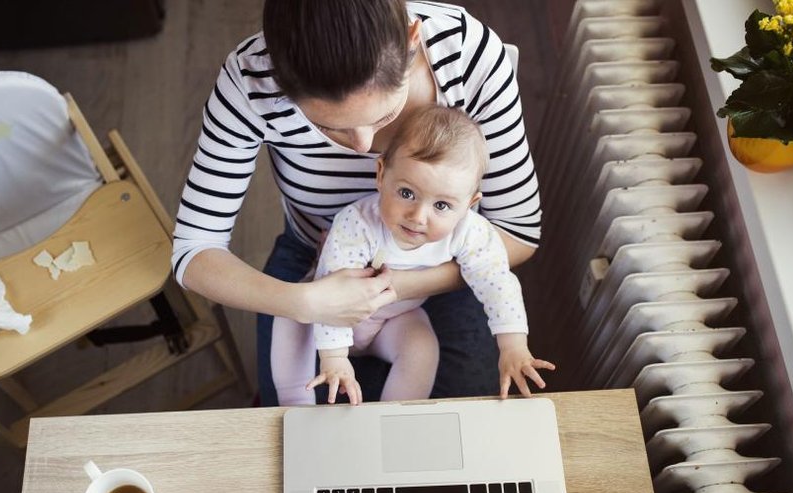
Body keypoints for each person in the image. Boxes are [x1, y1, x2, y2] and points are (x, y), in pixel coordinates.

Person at [172, 0, 543, 405]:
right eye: (328, 126)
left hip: (444, 265)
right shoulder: (250, 81)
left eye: (384, 117)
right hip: (313, 263)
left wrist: (397, 285)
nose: (365, 149)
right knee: (296, 427)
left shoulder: (468, 55)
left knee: (456, 434)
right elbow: (193, 250)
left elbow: (517, 234)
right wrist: (304, 301)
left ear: (411, 40)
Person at [272, 106, 553, 405]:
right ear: (381, 175)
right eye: (407, 193)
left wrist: (513, 347)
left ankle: (395, 414)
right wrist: (335, 357)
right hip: (328, 312)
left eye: (442, 206)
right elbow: (332, 291)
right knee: (290, 316)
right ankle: (294, 405)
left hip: (393, 319)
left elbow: (497, 283)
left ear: (469, 205)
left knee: (421, 347)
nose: (418, 217)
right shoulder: (357, 223)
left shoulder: (471, 233)